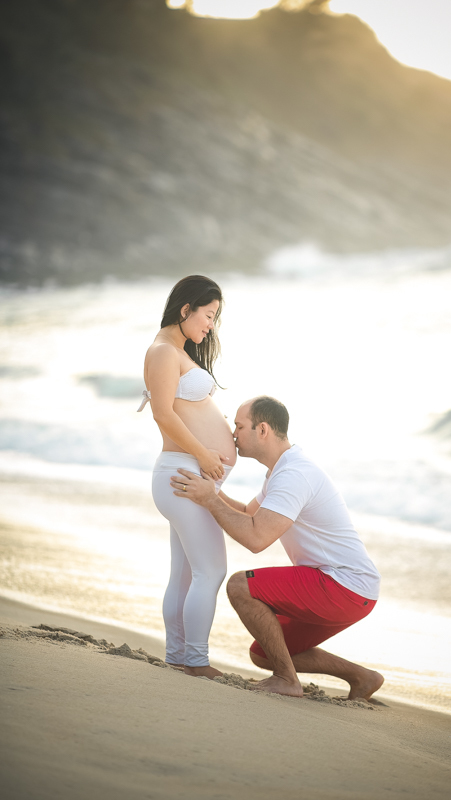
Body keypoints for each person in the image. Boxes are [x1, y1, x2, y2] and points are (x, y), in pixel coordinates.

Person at [171, 396, 383, 700]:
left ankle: (287, 680)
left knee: (241, 586)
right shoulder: (283, 470)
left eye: (239, 426)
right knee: (263, 653)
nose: (233, 434)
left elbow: (257, 539)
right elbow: (247, 513)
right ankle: (363, 678)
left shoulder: (294, 475)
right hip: (350, 589)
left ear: (263, 430)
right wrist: (210, 491)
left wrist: (210, 500)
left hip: (344, 585)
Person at [138, 275, 236, 678]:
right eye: (209, 315)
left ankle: (178, 656)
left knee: (184, 572)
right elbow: (164, 414)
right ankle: (196, 661)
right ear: (186, 309)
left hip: (187, 474)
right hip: (184, 473)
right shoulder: (162, 351)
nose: (211, 325)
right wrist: (204, 455)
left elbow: (184, 409)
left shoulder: (177, 351)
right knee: (210, 571)